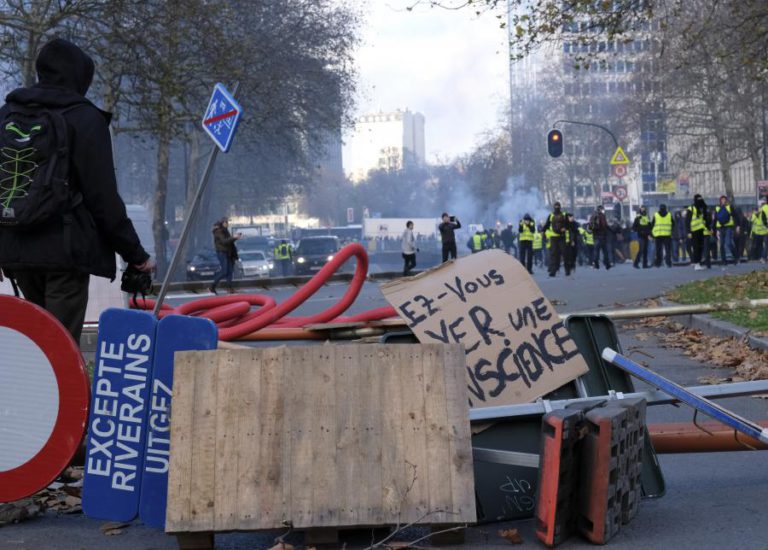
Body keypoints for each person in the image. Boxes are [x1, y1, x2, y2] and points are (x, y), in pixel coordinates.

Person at [0, 38, 152, 343]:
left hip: (16, 250)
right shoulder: (84, 119)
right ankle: (63, 392)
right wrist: (136, 255)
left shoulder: (6, 115)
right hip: (65, 255)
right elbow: (103, 199)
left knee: (35, 347)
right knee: (60, 348)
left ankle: (33, 391)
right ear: (79, 76)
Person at [210, 217, 241, 294]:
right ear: (222, 223)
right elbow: (224, 241)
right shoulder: (219, 231)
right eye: (225, 222)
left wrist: (235, 238)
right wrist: (234, 237)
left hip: (228, 252)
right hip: (222, 252)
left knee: (230, 271)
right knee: (224, 271)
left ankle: (229, 287)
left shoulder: (225, 231)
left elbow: (228, 241)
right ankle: (212, 286)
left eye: (227, 222)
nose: (227, 224)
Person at [543, 202, 567, 277]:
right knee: (553, 254)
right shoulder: (551, 215)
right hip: (553, 237)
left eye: (558, 206)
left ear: (560, 206)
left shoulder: (564, 215)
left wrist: (565, 228)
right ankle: (553, 271)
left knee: (563, 252)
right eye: (556, 206)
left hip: (562, 237)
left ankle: (564, 269)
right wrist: (543, 231)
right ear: (554, 207)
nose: (557, 207)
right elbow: (546, 225)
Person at [714, 195, 738, 264]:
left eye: (724, 199)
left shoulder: (729, 207)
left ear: (726, 200)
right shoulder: (717, 208)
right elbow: (715, 219)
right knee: (721, 245)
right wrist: (714, 229)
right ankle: (723, 260)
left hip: (728, 227)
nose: (723, 201)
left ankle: (735, 256)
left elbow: (735, 216)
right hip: (721, 228)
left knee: (728, 243)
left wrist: (737, 226)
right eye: (722, 199)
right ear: (720, 200)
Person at [687, 194, 708, 270]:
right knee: (696, 247)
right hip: (693, 231)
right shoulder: (691, 209)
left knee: (701, 247)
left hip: (701, 230)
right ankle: (696, 263)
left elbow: (704, 219)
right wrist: (688, 232)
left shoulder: (702, 208)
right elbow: (687, 221)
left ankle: (698, 263)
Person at [589, 205, 611, 270]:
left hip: (596, 236)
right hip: (601, 236)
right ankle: (607, 264)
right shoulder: (602, 216)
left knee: (597, 251)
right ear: (600, 209)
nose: (604, 210)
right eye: (603, 209)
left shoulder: (593, 216)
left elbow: (590, 226)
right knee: (605, 251)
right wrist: (611, 231)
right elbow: (605, 226)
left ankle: (596, 264)